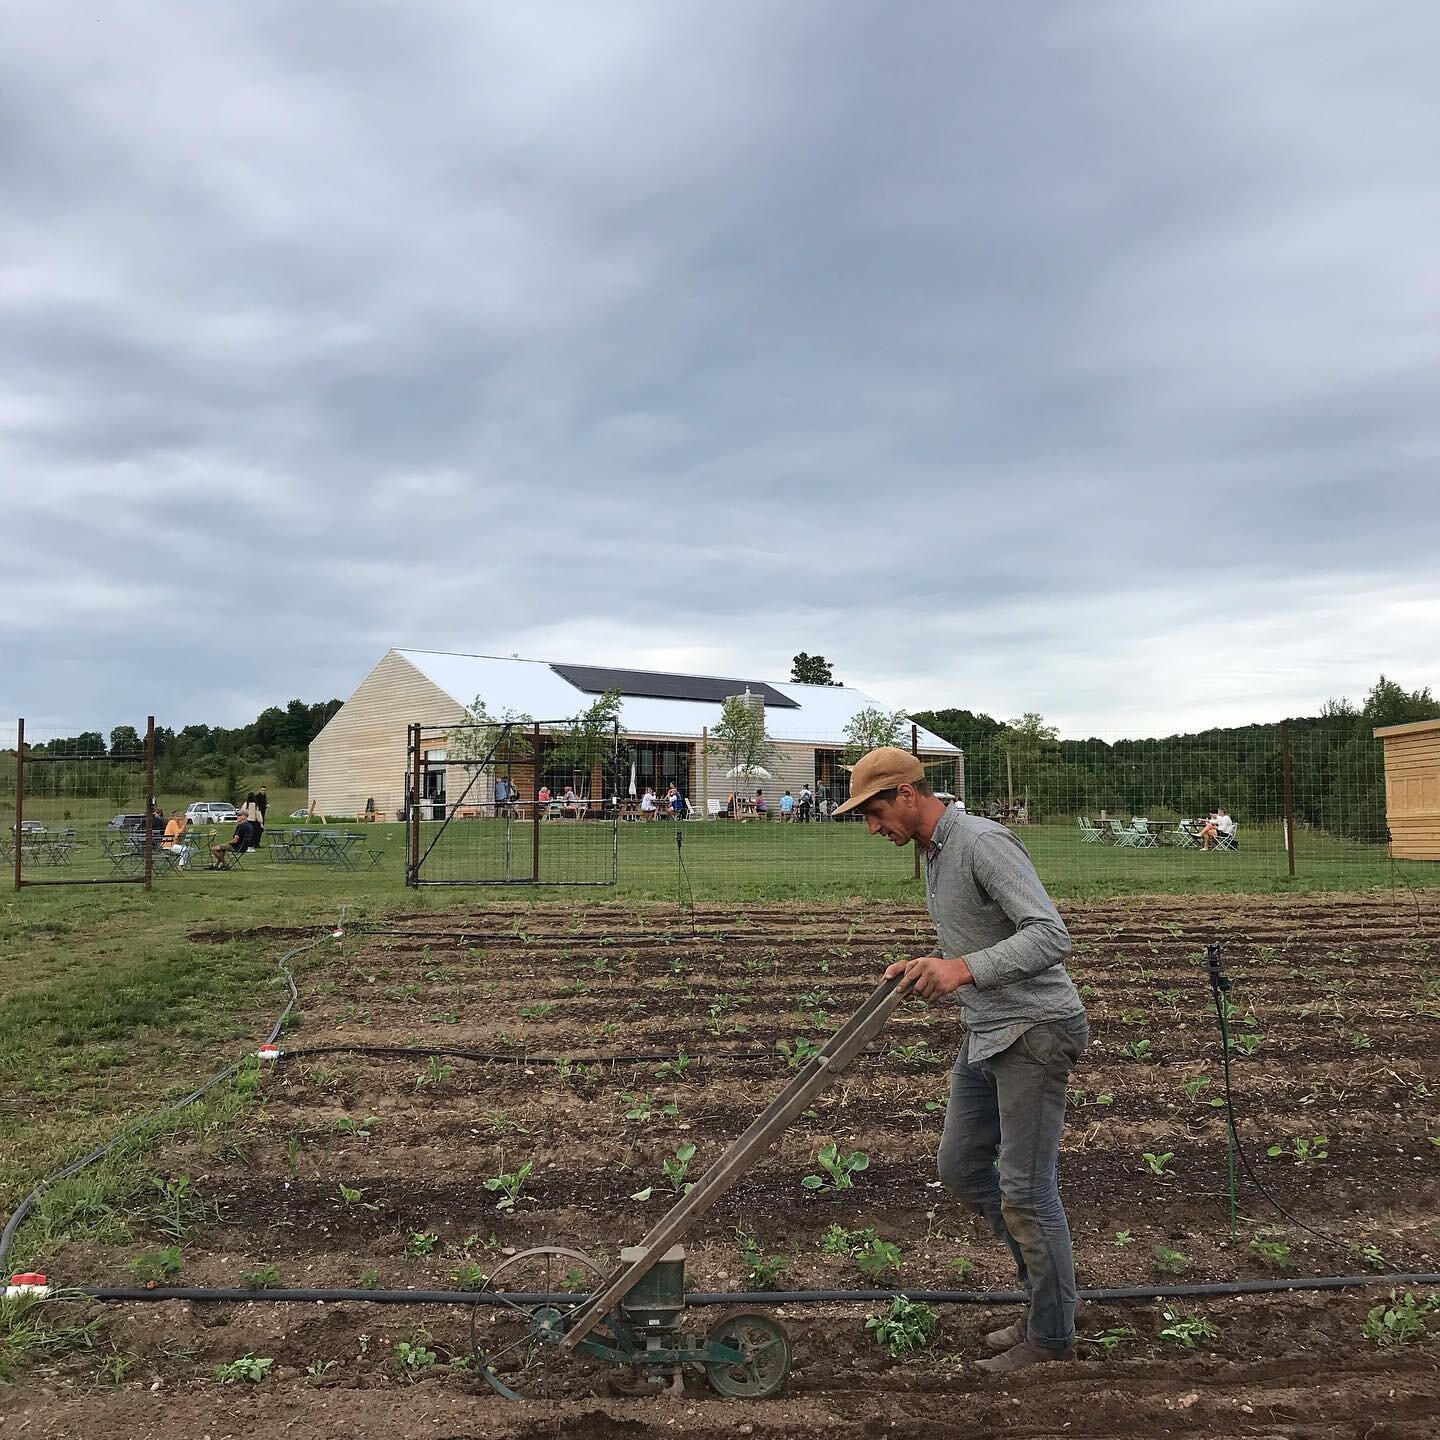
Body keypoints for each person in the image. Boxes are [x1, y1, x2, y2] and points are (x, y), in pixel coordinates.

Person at [840, 747, 1087, 1374]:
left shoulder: (982, 842)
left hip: (1034, 1031)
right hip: (988, 1032)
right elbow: (981, 934)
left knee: (1026, 1190)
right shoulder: (936, 853)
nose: (872, 829)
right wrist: (929, 961)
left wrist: (961, 968)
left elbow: (1049, 934)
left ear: (905, 793)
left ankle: (1052, 1336)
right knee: (961, 1168)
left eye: (873, 813)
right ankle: (1042, 1304)